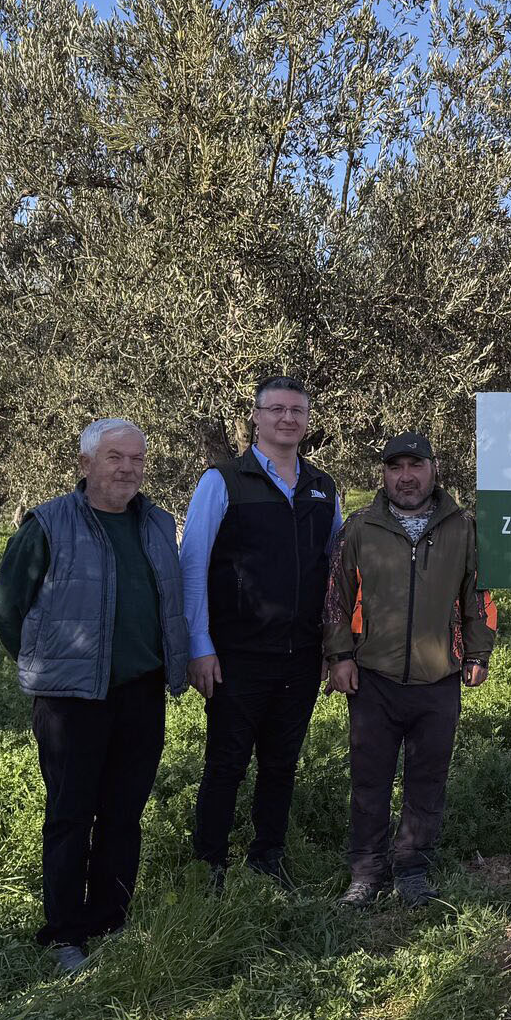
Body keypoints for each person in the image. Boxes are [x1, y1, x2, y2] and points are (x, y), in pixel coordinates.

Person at [0, 418, 189, 974]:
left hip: (140, 692)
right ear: (85, 463)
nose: (127, 469)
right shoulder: (49, 524)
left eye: (137, 459)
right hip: (70, 700)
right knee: (71, 814)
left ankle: (110, 920)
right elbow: (7, 605)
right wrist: (48, 662)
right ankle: (63, 935)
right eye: (114, 458)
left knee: (124, 813)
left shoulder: (154, 523)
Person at [179, 376, 342, 890]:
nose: (287, 418)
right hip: (236, 654)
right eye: (277, 409)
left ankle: (268, 859)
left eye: (297, 410)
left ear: (308, 420)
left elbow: (335, 570)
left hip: (299, 654)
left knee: (281, 763)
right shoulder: (223, 481)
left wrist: (331, 646)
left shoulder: (323, 487)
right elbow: (193, 565)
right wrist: (199, 646)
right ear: (255, 416)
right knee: (226, 762)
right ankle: (210, 865)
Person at [325, 432, 495, 906]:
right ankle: (365, 872)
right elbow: (336, 598)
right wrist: (339, 656)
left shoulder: (463, 527)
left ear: (432, 470)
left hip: (438, 679)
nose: (406, 477)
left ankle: (412, 869)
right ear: (383, 473)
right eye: (395, 467)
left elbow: (478, 595)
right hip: (373, 678)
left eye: (415, 466)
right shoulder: (360, 527)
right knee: (369, 780)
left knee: (427, 778)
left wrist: (478, 653)